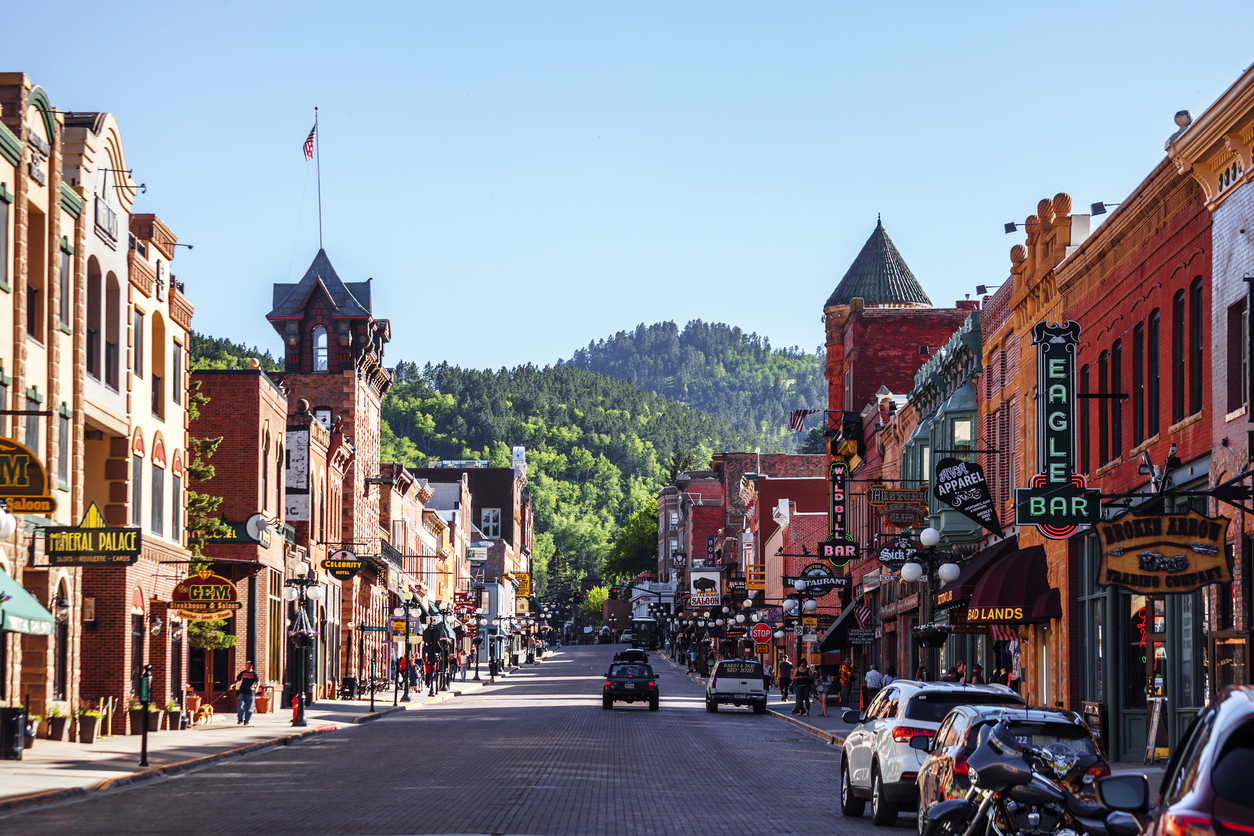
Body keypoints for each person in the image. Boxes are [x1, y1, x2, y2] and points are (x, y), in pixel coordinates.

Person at [234, 661, 259, 726]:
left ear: (251, 666)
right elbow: (237, 680)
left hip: (250, 692)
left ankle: (246, 720)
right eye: (246, 665)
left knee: (249, 708)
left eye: (249, 665)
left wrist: (256, 688)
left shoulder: (254, 673)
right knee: (240, 706)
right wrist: (232, 685)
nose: (247, 667)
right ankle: (240, 719)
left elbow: (257, 682)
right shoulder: (243, 673)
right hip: (242, 691)